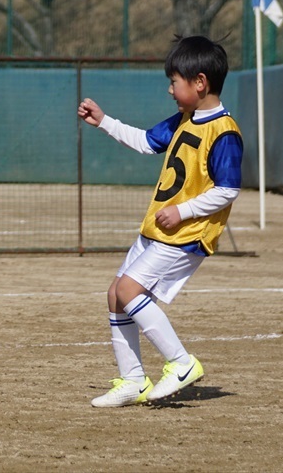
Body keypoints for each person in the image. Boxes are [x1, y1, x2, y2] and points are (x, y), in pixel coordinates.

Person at [78, 35, 243, 407]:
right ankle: (133, 381)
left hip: (185, 234)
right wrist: (104, 121)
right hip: (158, 230)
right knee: (115, 295)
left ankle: (182, 363)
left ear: (200, 82)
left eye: (174, 81)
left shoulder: (225, 131)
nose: (170, 89)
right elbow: (146, 141)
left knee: (128, 291)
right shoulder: (185, 119)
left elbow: (228, 189)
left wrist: (182, 211)